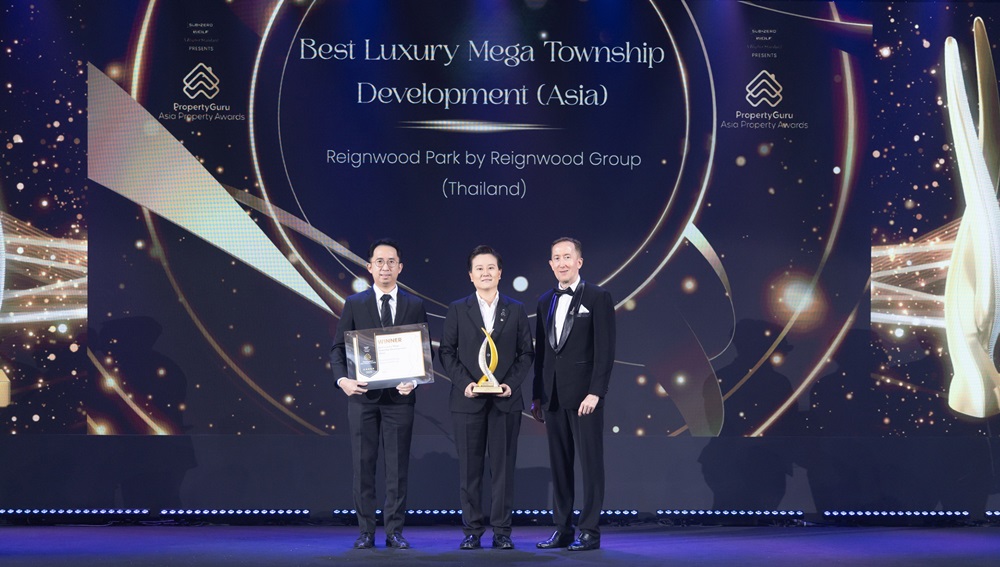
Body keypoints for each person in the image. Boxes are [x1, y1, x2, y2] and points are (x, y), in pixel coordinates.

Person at [330, 238, 428, 550]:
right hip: (362, 398)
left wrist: (414, 379)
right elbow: (337, 349)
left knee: (397, 468)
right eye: (380, 262)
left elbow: (423, 352)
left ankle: (395, 531)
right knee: (363, 466)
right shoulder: (354, 303)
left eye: (391, 262)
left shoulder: (414, 304)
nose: (386, 267)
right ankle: (365, 532)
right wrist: (343, 381)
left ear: (400, 267)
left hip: (400, 400)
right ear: (370, 267)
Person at [439, 245, 534, 550]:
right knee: (470, 470)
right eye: (479, 268)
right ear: (470, 275)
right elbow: (447, 352)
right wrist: (465, 384)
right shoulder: (458, 309)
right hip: (467, 401)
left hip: (505, 401)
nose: (485, 273)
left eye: (491, 267)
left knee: (503, 470)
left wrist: (510, 384)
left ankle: (502, 532)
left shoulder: (515, 309)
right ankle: (472, 531)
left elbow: (526, 353)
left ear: (500, 273)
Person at [531, 237, 616, 552]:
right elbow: (542, 354)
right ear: (550, 264)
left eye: (567, 257)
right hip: (552, 396)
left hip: (585, 398)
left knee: (591, 465)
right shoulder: (544, 301)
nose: (562, 262)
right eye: (556, 257)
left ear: (579, 262)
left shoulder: (598, 297)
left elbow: (605, 350)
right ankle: (563, 529)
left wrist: (596, 392)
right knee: (560, 465)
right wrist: (537, 395)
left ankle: (590, 531)